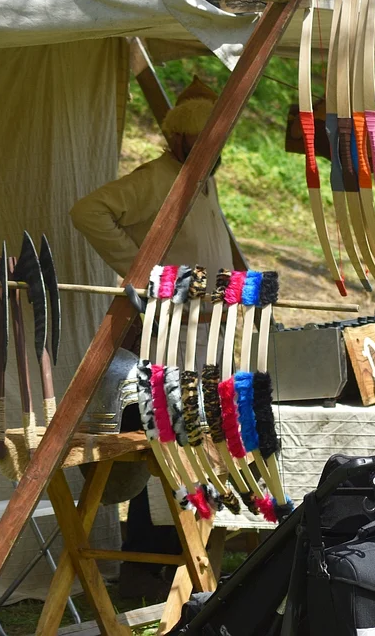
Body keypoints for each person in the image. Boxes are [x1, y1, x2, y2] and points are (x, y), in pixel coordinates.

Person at [71, 76, 236, 600]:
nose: (218, 147)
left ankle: (183, 553)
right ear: (185, 140)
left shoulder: (201, 182)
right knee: (159, 441)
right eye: (208, 137)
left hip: (203, 335)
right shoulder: (159, 177)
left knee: (193, 442)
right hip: (167, 334)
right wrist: (142, 273)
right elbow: (89, 211)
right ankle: (150, 562)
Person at [70, 75, 234, 280]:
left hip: (212, 307)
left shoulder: (206, 177)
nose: (212, 147)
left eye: (217, 139)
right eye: (200, 137)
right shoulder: (154, 178)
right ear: (178, 135)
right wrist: (144, 272)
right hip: (174, 307)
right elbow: (88, 212)